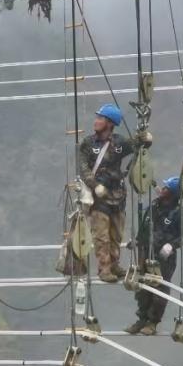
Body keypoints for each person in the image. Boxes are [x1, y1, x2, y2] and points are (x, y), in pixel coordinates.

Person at [78, 103, 151, 282]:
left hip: (117, 195)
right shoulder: (88, 143)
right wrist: (94, 185)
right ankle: (104, 269)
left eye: (100, 118)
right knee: (101, 235)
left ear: (110, 123)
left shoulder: (119, 142)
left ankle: (114, 264)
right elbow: (83, 167)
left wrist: (145, 139)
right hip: (99, 196)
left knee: (116, 234)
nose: (96, 121)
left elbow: (137, 145)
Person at [126, 176, 183, 336]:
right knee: (142, 288)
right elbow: (144, 228)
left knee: (159, 290)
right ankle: (141, 319)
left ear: (172, 193)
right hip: (146, 252)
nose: (162, 190)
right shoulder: (153, 207)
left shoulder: (179, 213)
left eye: (166, 188)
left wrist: (172, 245)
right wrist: (136, 241)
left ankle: (152, 322)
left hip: (164, 257)